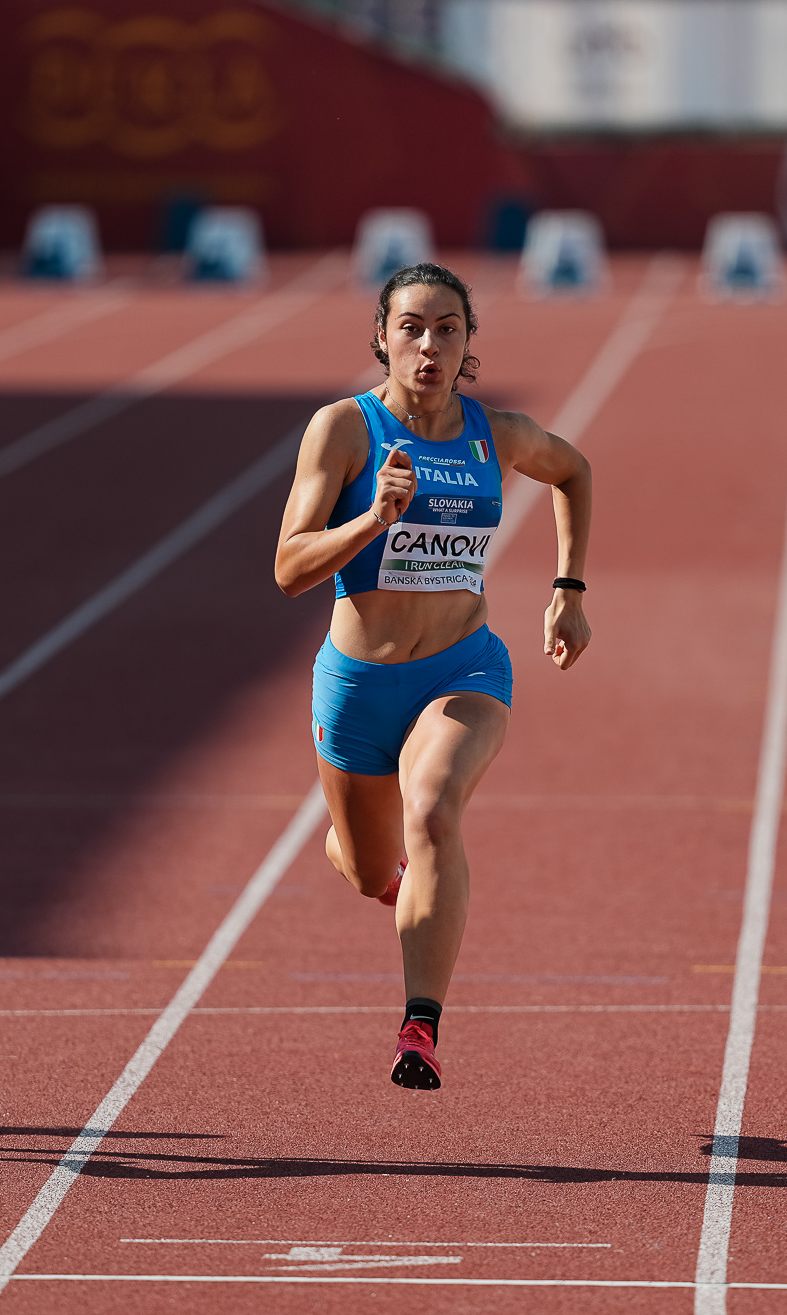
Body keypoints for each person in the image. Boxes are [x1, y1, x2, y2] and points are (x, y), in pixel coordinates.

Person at [275, 263, 593, 1090]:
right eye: (411, 327)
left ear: (467, 343)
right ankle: (374, 864)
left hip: (463, 666)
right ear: (382, 338)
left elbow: (573, 471)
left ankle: (420, 1025)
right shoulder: (344, 430)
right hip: (358, 686)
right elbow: (288, 569)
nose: (429, 345)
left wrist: (568, 590)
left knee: (434, 811)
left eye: (447, 329)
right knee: (369, 870)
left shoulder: (496, 434)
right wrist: (371, 519)